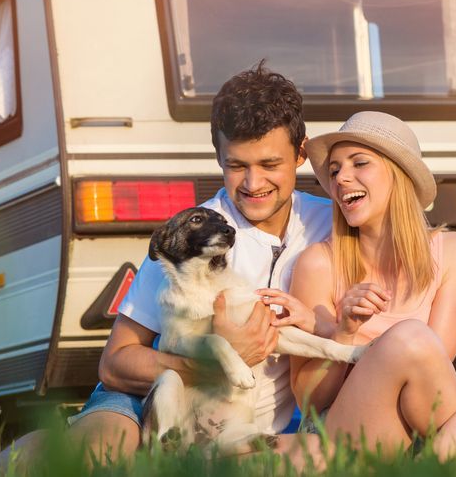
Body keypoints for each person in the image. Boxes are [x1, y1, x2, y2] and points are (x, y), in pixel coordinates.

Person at [259, 111, 456, 460]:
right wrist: (343, 332)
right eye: (334, 171)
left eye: (359, 163)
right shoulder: (319, 262)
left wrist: (324, 327)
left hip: (436, 424)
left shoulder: (454, 253)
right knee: (412, 338)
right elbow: (310, 401)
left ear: (400, 174)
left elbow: (436, 367)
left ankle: (443, 458)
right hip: (349, 425)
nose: (342, 178)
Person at [62, 62, 331, 460]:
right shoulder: (191, 235)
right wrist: (211, 362)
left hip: (246, 423)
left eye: (269, 164)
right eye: (236, 166)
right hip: (155, 398)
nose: (253, 184)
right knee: (97, 451)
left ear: (301, 153)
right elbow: (116, 363)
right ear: (218, 157)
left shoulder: (329, 222)